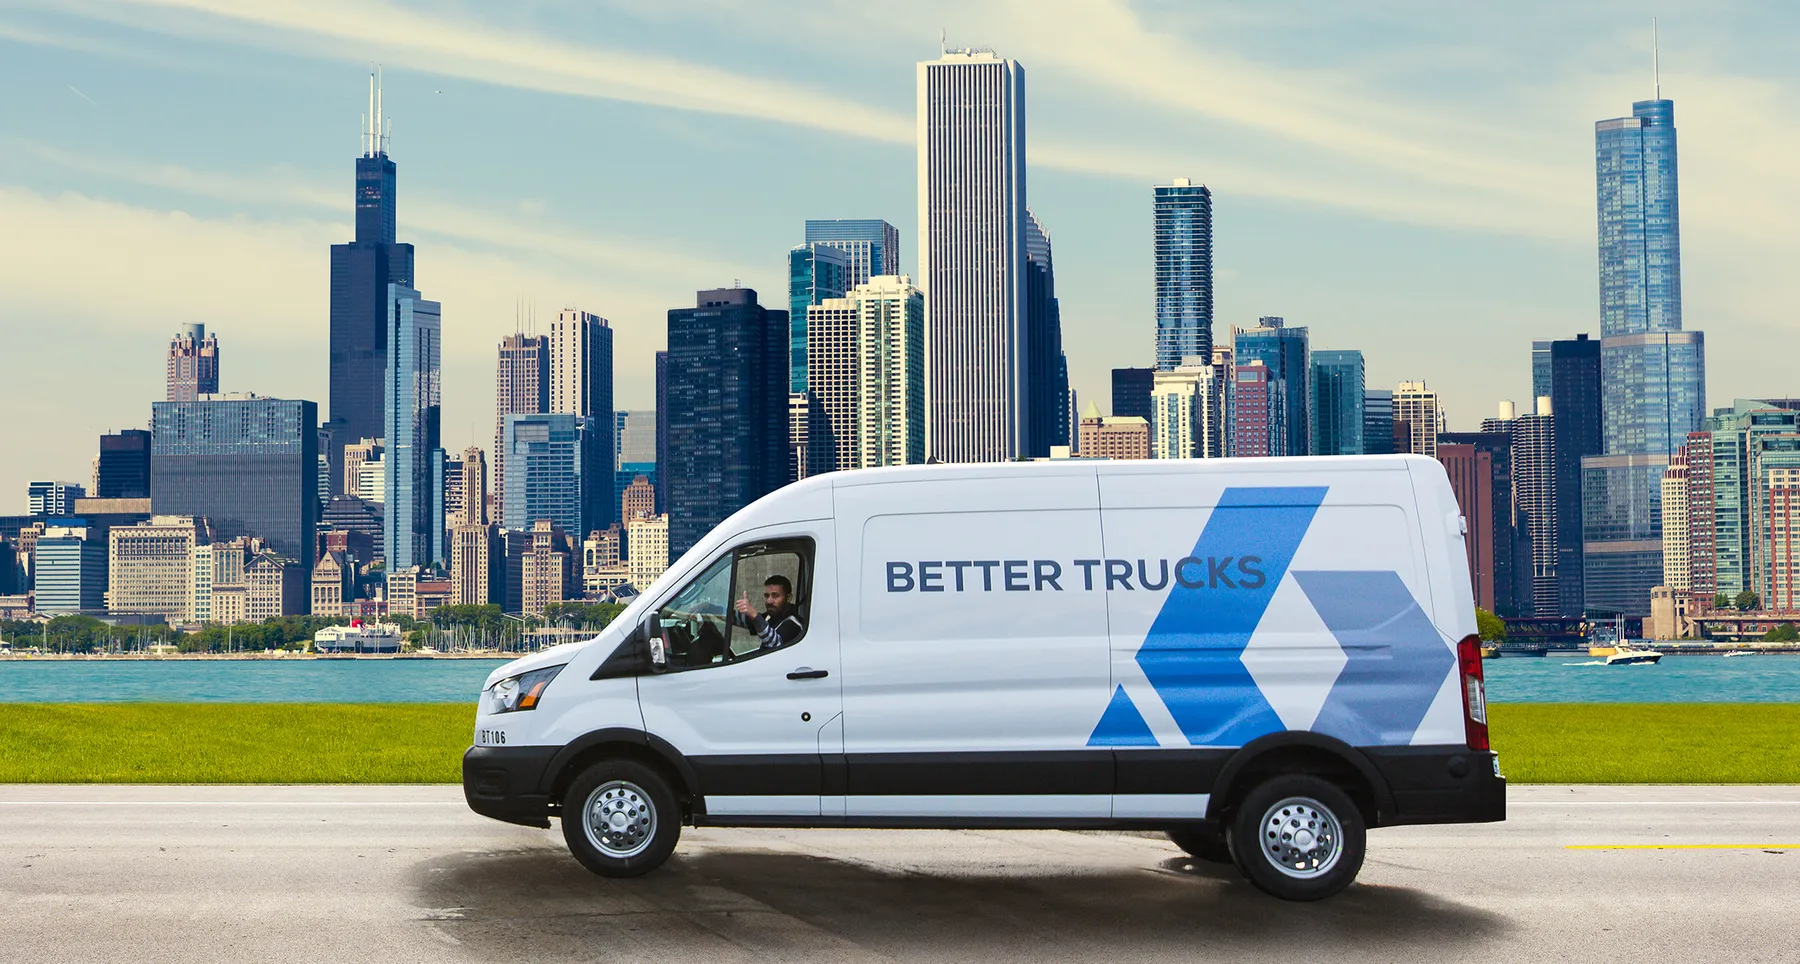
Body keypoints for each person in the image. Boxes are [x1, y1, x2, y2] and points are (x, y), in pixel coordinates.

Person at [732, 574, 805, 651]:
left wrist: (755, 616)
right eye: (767, 596)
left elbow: (776, 644)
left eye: (775, 596)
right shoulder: (772, 616)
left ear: (788, 598)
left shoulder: (793, 623)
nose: (769, 601)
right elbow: (746, 620)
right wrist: (720, 611)